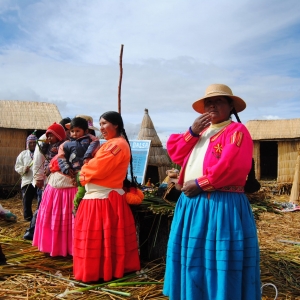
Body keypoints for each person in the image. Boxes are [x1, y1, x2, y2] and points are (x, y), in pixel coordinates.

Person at [163, 84, 261, 300]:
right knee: (194, 258)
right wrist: (192, 132)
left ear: (230, 106)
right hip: (192, 204)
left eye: (219, 101)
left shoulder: (237, 131)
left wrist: (200, 184)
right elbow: (176, 153)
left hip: (220, 204)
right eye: (208, 102)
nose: (212, 105)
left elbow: (232, 165)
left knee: (218, 257)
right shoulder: (201, 132)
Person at [73, 111, 140, 282]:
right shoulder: (111, 144)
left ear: (116, 124)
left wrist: (82, 172)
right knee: (99, 241)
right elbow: (95, 164)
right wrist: (89, 166)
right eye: (100, 124)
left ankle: (101, 271)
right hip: (99, 198)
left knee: (99, 241)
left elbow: (99, 167)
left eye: (104, 123)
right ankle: (100, 270)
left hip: (103, 201)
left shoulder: (116, 145)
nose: (101, 127)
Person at [23, 118, 71, 240]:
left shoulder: (64, 142)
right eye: (68, 129)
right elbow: (38, 159)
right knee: (42, 207)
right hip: (46, 181)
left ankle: (54, 236)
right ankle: (33, 231)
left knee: (53, 210)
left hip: (58, 182)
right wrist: (39, 178)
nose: (69, 132)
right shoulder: (46, 141)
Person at [15, 133, 37, 221]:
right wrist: (23, 169)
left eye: (34, 143)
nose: (32, 144)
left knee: (40, 200)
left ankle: (37, 218)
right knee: (26, 201)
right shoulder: (23, 154)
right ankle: (28, 218)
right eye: (30, 143)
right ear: (27, 143)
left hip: (38, 181)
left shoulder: (40, 153)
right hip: (27, 181)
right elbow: (17, 167)